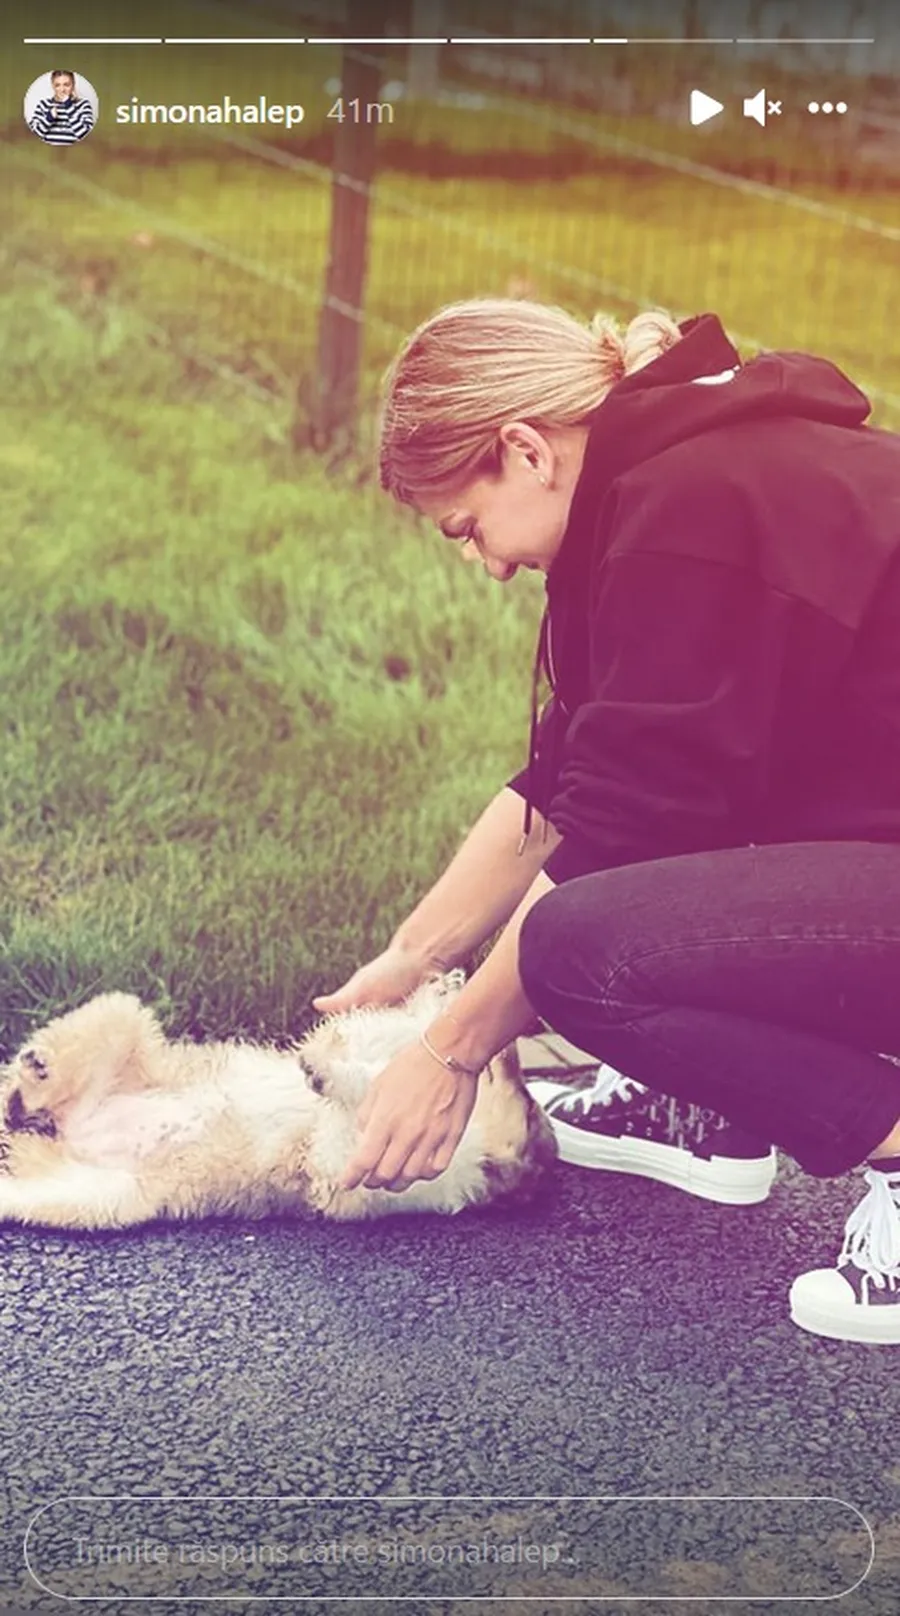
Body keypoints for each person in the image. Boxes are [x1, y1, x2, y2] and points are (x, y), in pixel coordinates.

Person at [314, 297, 900, 1346]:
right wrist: (412, 958)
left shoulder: (691, 512)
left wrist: (449, 1054)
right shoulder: (666, 484)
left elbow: (624, 823)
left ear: (526, 450)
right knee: (622, 889)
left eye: (467, 528)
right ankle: (702, 1109)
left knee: (576, 952)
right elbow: (578, 779)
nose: (488, 564)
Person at [28, 71, 95, 145]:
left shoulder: (83, 104)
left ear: (73, 85)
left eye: (66, 85)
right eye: (57, 85)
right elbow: (34, 136)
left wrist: (68, 105)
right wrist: (48, 118)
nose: (62, 90)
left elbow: (84, 135)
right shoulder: (44, 104)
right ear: (53, 86)